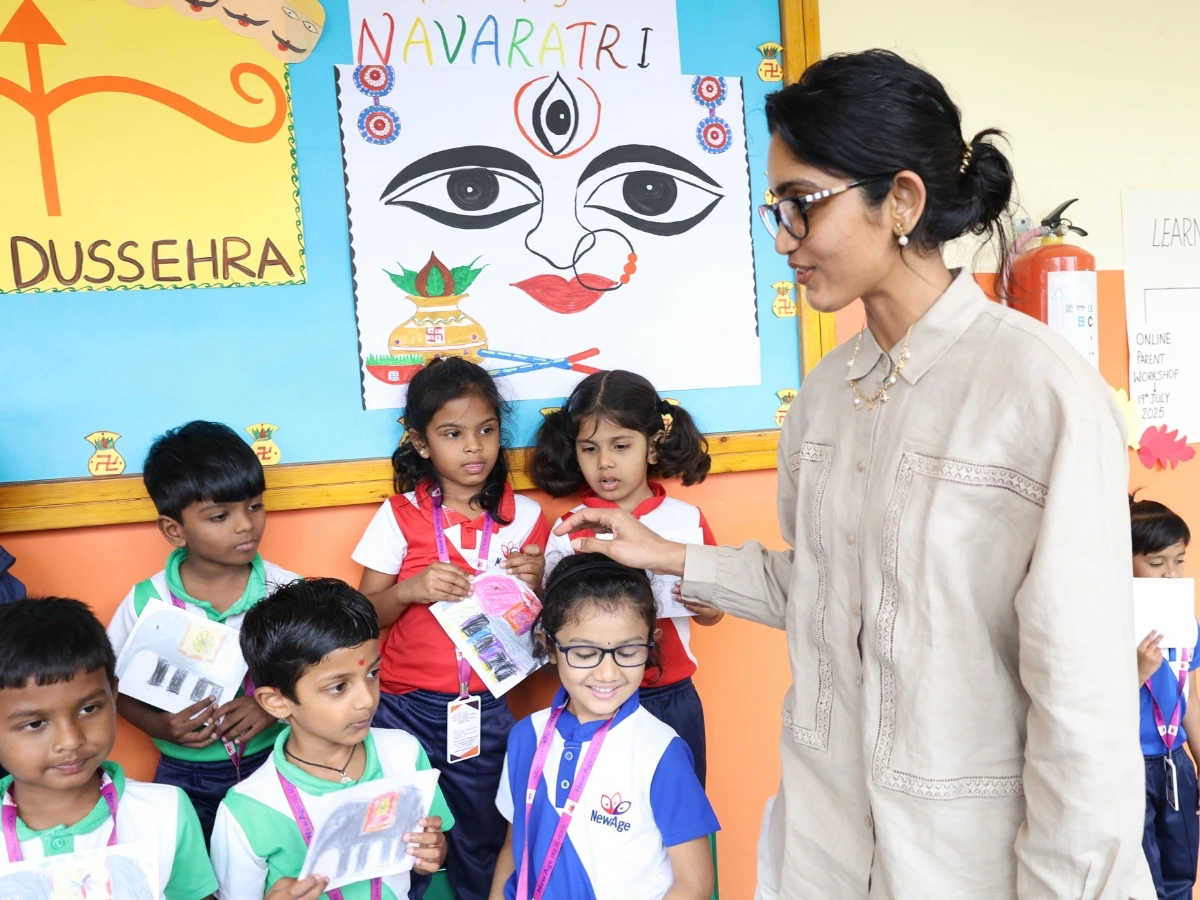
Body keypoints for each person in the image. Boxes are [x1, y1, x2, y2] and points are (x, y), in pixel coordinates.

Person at [553, 48, 1154, 898]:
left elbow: (1082, 701)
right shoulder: (825, 399)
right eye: (776, 211)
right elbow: (829, 590)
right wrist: (665, 554)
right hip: (823, 850)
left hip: (971, 864)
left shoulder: (1039, 393)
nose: (786, 241)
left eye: (803, 206)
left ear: (901, 200)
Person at [353, 357, 548, 900]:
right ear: (420, 442)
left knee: (483, 835)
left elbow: (551, 629)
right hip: (403, 705)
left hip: (484, 710)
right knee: (401, 838)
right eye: (452, 434)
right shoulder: (399, 515)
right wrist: (410, 590)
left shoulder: (525, 517)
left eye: (486, 431)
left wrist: (539, 585)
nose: (473, 447)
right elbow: (363, 616)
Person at [107, 420, 299, 843]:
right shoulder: (146, 601)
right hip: (184, 774)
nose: (245, 525)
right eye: (219, 516)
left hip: (277, 760)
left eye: (254, 505)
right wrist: (158, 727)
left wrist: (271, 709)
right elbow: (110, 687)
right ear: (174, 529)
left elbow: (317, 674)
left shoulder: (289, 592)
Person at [488, 554, 718, 900]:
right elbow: (513, 849)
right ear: (549, 645)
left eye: (628, 651)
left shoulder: (661, 751)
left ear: (650, 642)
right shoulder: (526, 737)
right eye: (583, 653)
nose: (608, 673)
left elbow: (694, 883)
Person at [532, 369, 721, 784]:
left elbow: (714, 612)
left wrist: (708, 607)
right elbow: (553, 628)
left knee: (676, 806)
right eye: (589, 448)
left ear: (653, 447)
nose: (604, 463)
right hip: (590, 697)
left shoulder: (685, 520)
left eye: (621, 446)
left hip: (670, 694)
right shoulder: (568, 528)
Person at [211, 578, 451, 900]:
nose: (366, 699)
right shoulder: (247, 809)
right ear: (276, 702)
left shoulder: (404, 752)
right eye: (338, 687)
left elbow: (429, 851)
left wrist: (432, 854)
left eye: (372, 674)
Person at [0, 597, 216, 899]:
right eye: (35, 724)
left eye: (88, 709)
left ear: (113, 694)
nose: (71, 740)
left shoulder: (165, 811)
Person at [1132, 495, 1199, 900]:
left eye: (1179, 559)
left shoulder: (1185, 621)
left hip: (1176, 764)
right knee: (1140, 873)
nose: (1171, 574)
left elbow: (1192, 697)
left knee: (1181, 867)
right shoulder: (1105, 620)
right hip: (1128, 764)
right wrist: (1136, 672)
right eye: (1157, 563)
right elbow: (1087, 709)